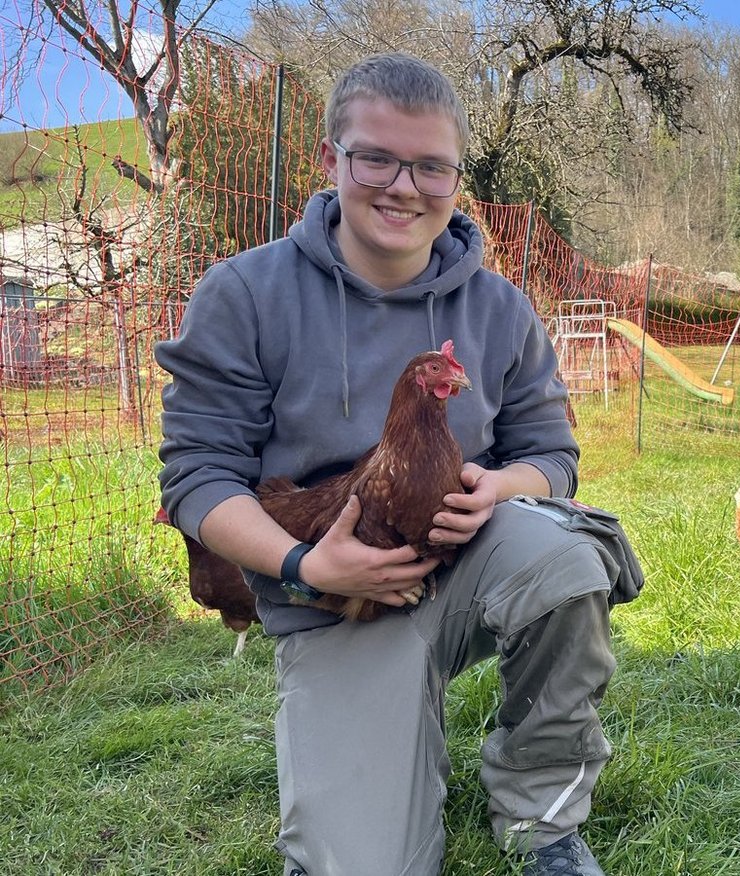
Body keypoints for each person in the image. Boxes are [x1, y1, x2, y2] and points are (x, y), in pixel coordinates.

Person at [156, 52, 640, 876]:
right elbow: (198, 476)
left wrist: (499, 486)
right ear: (330, 159)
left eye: (430, 167)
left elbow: (553, 456)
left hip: (466, 560)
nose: (403, 188)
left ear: (456, 178)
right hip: (328, 596)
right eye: (375, 158)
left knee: (566, 561)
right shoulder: (245, 293)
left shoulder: (499, 307)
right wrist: (306, 565)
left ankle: (542, 819)